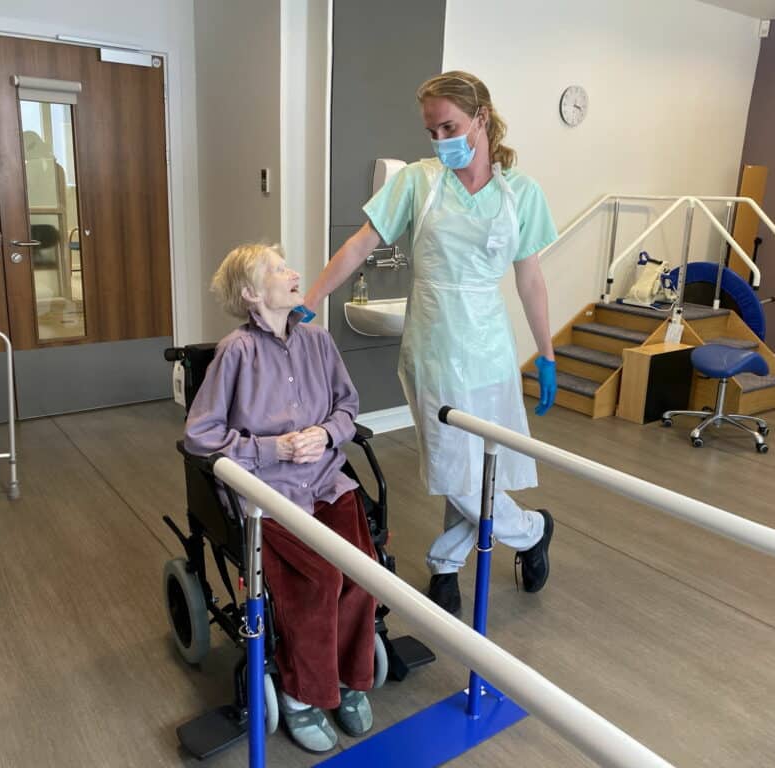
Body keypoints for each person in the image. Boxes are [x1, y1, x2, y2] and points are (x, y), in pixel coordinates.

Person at [303, 71, 558, 616]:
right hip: (433, 347)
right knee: (452, 466)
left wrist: (548, 353)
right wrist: (314, 297)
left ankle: (445, 566)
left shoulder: (522, 193)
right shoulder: (418, 181)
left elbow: (530, 280)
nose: (441, 140)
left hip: (490, 348)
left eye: (451, 126)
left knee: (477, 465)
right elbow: (360, 243)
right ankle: (532, 529)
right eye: (432, 130)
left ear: (482, 119)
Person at [184, 243, 376, 753]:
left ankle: (350, 678)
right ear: (251, 293)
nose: (294, 273)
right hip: (268, 497)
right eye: (278, 269)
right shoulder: (235, 353)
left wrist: (329, 435)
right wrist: (274, 448)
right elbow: (199, 435)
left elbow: (348, 405)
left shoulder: (318, 341)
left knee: (363, 571)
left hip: (327, 482)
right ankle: (301, 693)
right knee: (322, 578)